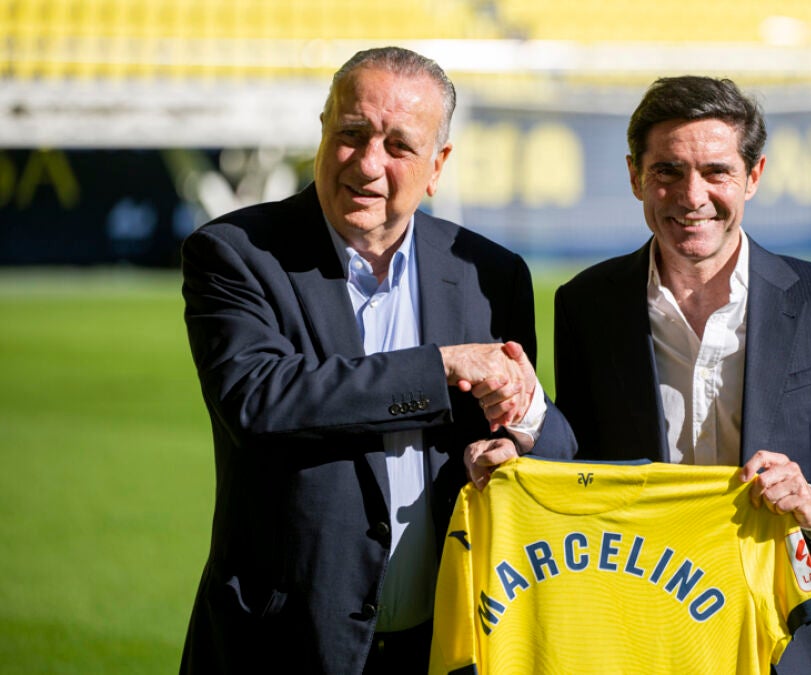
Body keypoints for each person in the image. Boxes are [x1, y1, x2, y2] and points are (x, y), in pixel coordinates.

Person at [178, 47, 574, 674]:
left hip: (448, 644)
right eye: (351, 134)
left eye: (398, 146)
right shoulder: (235, 252)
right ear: (323, 131)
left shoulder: (491, 274)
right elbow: (257, 399)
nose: (367, 163)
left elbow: (544, 437)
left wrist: (524, 432)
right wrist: (439, 368)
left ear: (437, 165)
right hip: (282, 647)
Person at [552, 76, 811, 673]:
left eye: (716, 171)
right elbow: (578, 464)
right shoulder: (586, 303)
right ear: (635, 176)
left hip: (797, 622)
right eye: (667, 171)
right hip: (642, 619)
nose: (692, 195)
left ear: (754, 175)